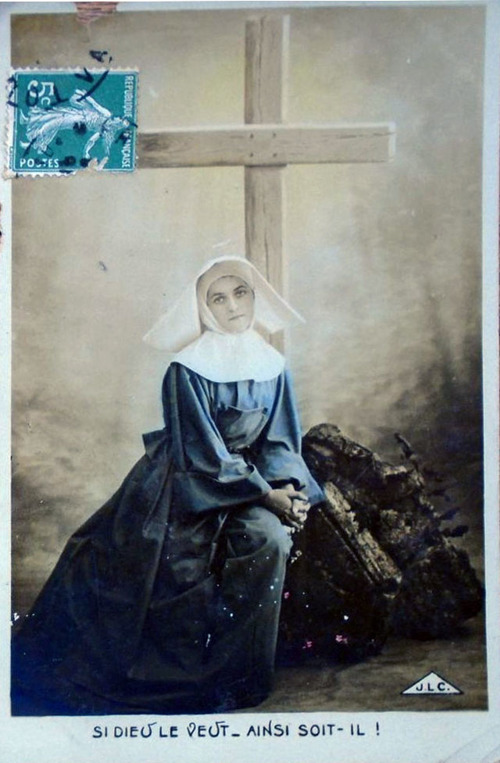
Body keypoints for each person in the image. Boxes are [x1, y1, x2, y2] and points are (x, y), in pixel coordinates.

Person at [12, 255, 324, 716]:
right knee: (176, 561)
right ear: (203, 309)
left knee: (270, 539)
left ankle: (243, 675)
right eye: (218, 299)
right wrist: (267, 494)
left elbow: (280, 441)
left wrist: (290, 491)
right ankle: (194, 679)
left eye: (240, 293)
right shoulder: (187, 369)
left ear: (255, 298)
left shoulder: (273, 365)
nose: (233, 306)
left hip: (250, 485)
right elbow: (202, 453)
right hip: (188, 484)